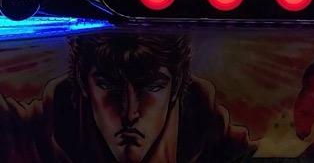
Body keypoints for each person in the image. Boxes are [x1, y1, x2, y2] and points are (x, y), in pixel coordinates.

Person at [0, 32, 257, 162]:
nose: (130, 113)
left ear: (177, 86)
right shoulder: (38, 134)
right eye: (107, 86)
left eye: (152, 87)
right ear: (83, 83)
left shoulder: (219, 142)